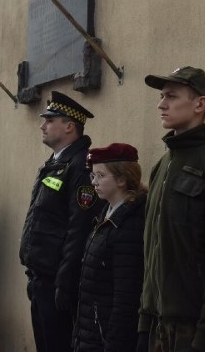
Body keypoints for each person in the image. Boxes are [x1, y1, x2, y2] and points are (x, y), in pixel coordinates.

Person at [139, 67, 205, 352]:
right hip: (156, 324)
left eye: (171, 96)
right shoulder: (161, 165)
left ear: (200, 104)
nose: (161, 104)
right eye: (162, 96)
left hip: (193, 327)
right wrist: (143, 324)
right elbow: (151, 252)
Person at [20, 91, 101, 352]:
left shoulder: (80, 166)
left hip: (58, 281)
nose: (42, 125)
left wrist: (64, 283)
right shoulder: (55, 163)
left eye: (49, 120)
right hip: (41, 276)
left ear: (69, 126)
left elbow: (78, 229)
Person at [73, 143, 147, 352]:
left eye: (101, 176)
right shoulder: (108, 213)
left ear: (122, 179)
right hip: (91, 333)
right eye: (93, 176)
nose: (94, 183)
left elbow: (126, 296)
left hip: (106, 338)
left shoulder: (130, 223)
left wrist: (113, 344)